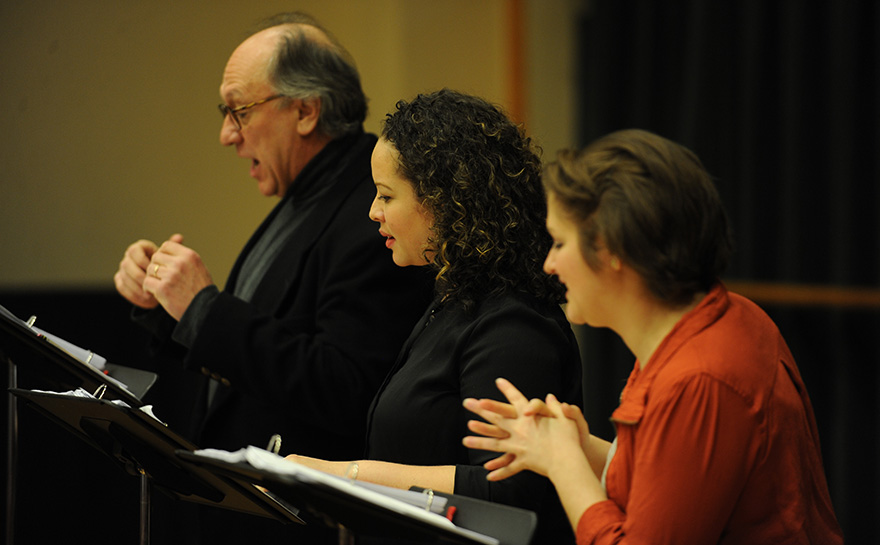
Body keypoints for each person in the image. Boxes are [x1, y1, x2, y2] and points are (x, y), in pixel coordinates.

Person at [113, 12, 431, 544]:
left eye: (238, 111)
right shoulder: (307, 194)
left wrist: (205, 310)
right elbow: (262, 348)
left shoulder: (370, 214)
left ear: (305, 111)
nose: (226, 135)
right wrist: (170, 309)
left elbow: (346, 388)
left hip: (306, 520)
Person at [462, 129, 844, 544]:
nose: (549, 264)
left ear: (611, 251)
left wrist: (565, 463)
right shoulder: (723, 316)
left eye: (559, 242)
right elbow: (677, 486)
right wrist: (576, 445)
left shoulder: (699, 378)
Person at [285, 89, 583, 544]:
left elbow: (510, 491)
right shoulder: (454, 299)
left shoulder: (515, 328)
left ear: (446, 200)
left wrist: (340, 474)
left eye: (386, 195)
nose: (373, 211)